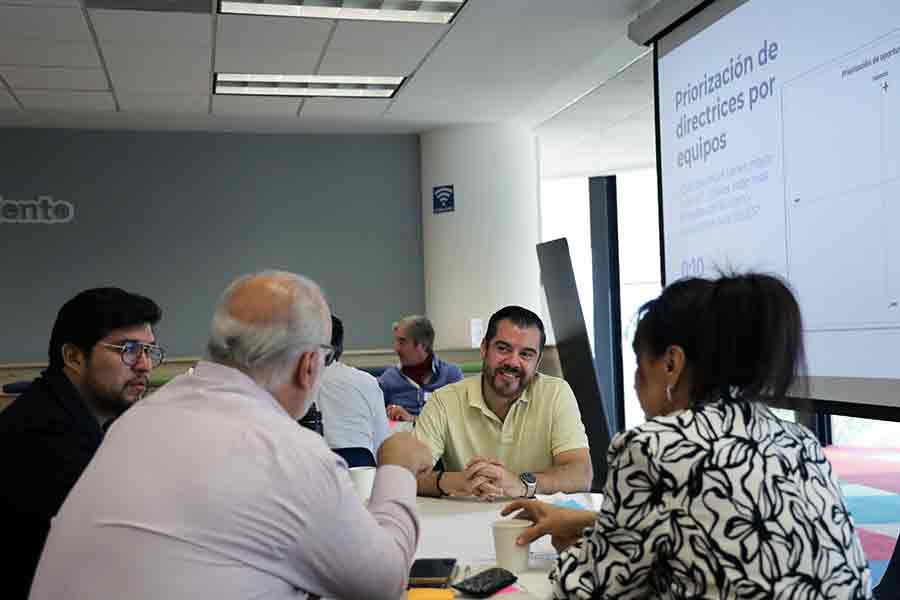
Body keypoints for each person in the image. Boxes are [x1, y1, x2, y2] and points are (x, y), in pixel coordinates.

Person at [29, 271, 434, 600]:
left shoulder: (138, 419)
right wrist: (397, 465)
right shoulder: (286, 451)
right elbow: (381, 583)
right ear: (310, 365)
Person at [502, 273, 872, 599]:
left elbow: (586, 588)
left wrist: (581, 551)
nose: (634, 381)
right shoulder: (801, 442)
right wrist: (591, 526)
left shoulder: (653, 447)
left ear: (671, 364)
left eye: (639, 363)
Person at [0, 287, 163, 600]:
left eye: (149, 351)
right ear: (74, 357)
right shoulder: (43, 439)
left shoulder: (80, 417)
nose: (145, 365)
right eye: (128, 349)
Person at [414, 305, 592, 499]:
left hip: (539, 521)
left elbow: (581, 473)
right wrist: (455, 481)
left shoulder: (556, 393)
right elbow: (406, 474)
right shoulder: (445, 400)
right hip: (465, 516)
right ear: (484, 348)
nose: (513, 362)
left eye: (526, 354)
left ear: (537, 361)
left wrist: (522, 484)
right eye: (503, 348)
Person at [318, 315, 391, 461]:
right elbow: (382, 446)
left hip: (312, 475)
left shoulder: (289, 383)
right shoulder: (367, 382)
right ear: (340, 347)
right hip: (362, 474)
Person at [378, 314, 463, 421]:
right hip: (401, 436)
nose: (396, 348)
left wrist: (411, 418)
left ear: (422, 344)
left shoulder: (450, 376)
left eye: (402, 342)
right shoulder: (388, 379)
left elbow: (458, 421)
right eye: (396, 341)